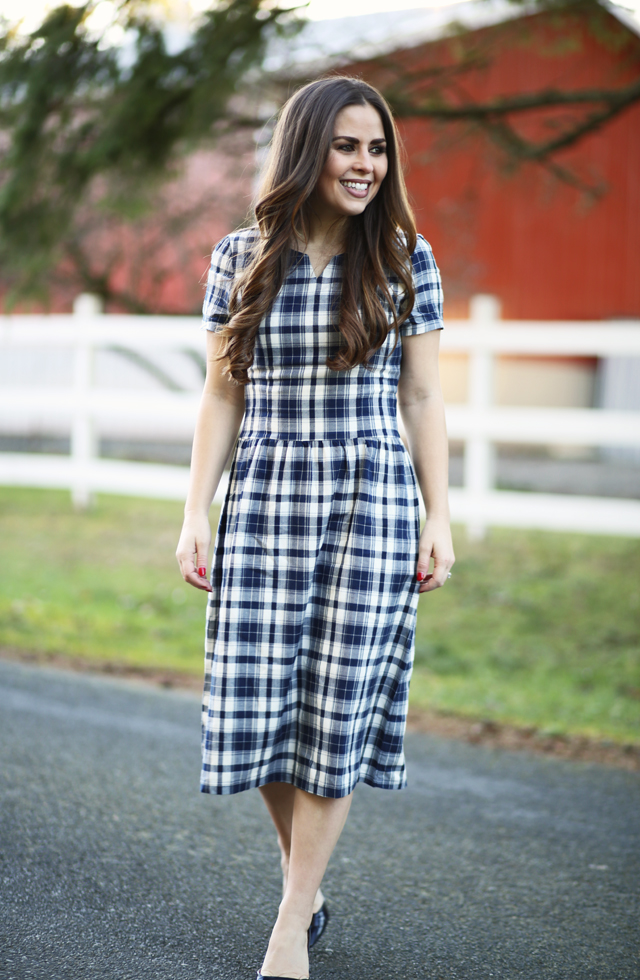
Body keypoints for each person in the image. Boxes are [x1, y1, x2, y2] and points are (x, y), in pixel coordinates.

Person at [176, 75, 455, 980]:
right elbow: (222, 395)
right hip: (264, 494)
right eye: (347, 145)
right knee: (259, 708)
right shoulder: (240, 257)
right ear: (307, 149)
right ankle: (307, 880)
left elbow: (422, 397)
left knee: (334, 710)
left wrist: (439, 517)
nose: (366, 164)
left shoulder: (408, 257)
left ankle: (292, 921)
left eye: (377, 149)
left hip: (371, 500)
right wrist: (195, 511)